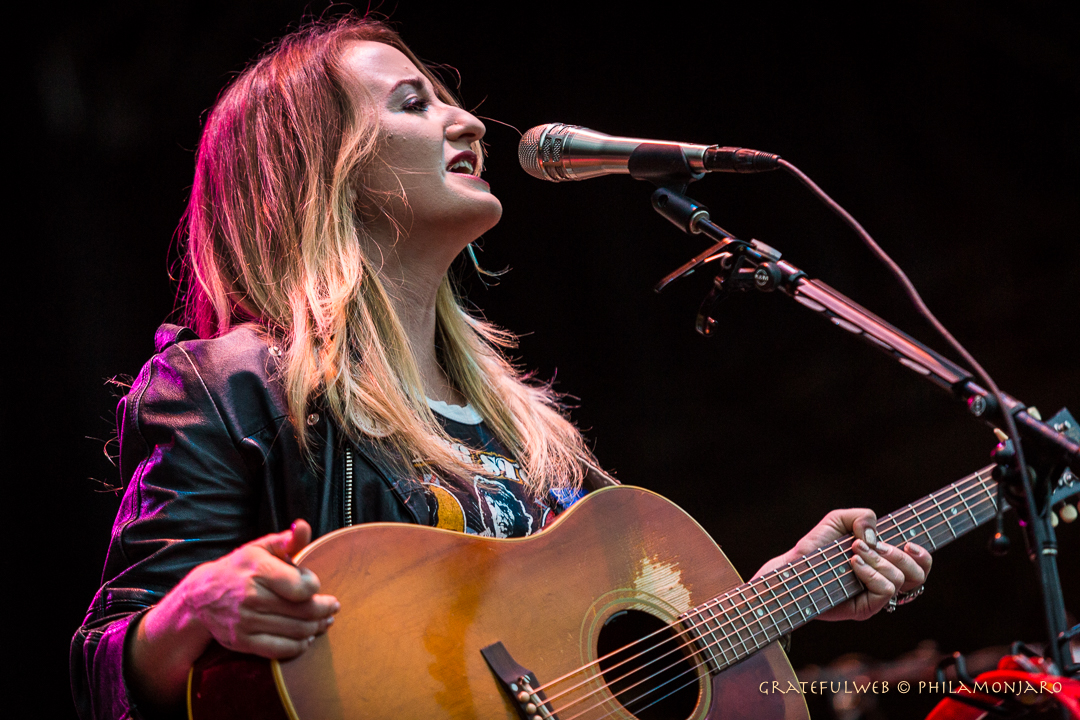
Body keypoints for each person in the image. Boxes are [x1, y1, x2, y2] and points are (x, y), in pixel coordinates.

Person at [70, 15, 931, 720]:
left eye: (451, 100)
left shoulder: (531, 426)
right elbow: (104, 667)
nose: (472, 122)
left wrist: (777, 593)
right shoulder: (225, 388)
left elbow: (596, 671)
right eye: (414, 104)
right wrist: (194, 605)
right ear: (318, 173)